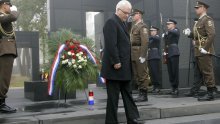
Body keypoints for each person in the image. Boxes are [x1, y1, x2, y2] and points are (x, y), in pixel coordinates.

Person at [101, 1, 140, 123]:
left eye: (129, 13)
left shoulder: (122, 23)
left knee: (128, 95)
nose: (127, 15)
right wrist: (116, 61)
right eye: (125, 13)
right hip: (115, 68)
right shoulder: (111, 22)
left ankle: (132, 119)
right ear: (118, 10)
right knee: (113, 99)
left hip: (124, 69)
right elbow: (111, 44)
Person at [183, 1, 216, 101]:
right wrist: (189, 34)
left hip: (204, 51)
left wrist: (205, 48)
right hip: (198, 50)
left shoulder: (207, 19)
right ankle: (200, 90)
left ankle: (210, 93)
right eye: (196, 8)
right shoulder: (200, 21)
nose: (196, 9)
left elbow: (212, 35)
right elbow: (197, 35)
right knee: (200, 72)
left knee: (207, 72)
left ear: (204, 8)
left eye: (198, 7)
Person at [0, 0, 19, 113]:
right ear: (3, 5)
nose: (10, 7)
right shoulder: (2, 17)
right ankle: (1, 104)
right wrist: (15, 10)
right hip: (5, 50)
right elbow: (14, 17)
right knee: (4, 78)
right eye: (9, 5)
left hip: (5, 49)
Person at [130, 9, 149, 102]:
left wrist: (143, 55)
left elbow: (145, 41)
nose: (132, 16)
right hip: (133, 52)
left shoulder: (142, 26)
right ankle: (140, 92)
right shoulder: (134, 26)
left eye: (134, 14)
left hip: (139, 52)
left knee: (142, 73)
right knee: (136, 74)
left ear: (139, 15)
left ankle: (144, 94)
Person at [163, 19, 180, 96]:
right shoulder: (169, 33)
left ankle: (176, 88)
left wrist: (167, 32)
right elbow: (166, 43)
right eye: (167, 24)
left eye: (169, 24)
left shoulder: (176, 30)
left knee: (174, 71)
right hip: (168, 52)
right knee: (170, 71)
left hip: (174, 52)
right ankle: (172, 87)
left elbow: (174, 33)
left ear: (174, 24)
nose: (168, 25)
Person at [148, 26, 161, 93]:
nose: (152, 32)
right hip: (150, 56)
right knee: (152, 73)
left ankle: (157, 87)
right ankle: (154, 86)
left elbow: (154, 38)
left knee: (155, 72)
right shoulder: (150, 38)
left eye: (153, 31)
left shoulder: (157, 37)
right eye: (151, 31)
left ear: (156, 31)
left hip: (155, 56)